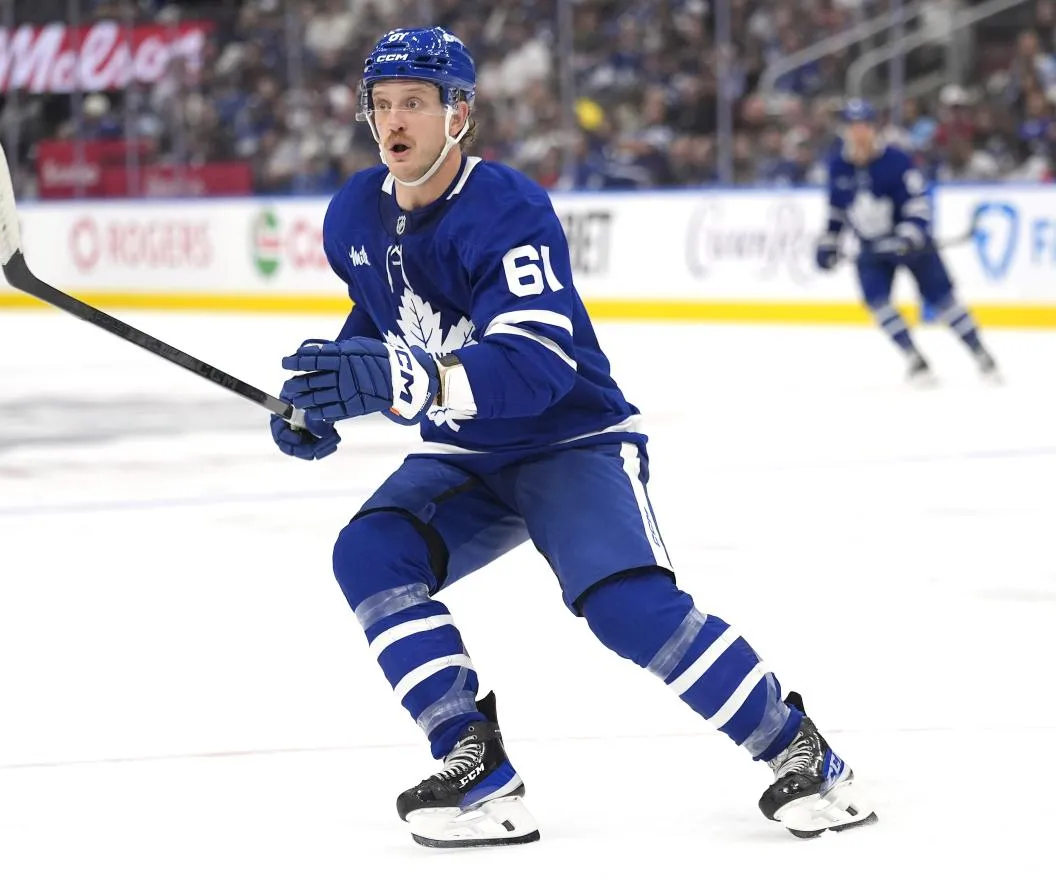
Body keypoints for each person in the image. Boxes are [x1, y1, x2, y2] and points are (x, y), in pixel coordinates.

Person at [270, 27, 877, 848]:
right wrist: (329, 392)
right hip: (467, 451)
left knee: (625, 606)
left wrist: (410, 382)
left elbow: (537, 364)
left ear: (460, 113)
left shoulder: (506, 208)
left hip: (570, 438)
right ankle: (472, 761)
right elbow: (382, 312)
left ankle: (800, 749)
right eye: (381, 104)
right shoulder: (353, 213)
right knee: (370, 554)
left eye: (415, 101)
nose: (394, 121)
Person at [815, 99, 1000, 383]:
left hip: (913, 247)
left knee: (943, 301)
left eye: (863, 125)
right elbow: (837, 211)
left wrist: (909, 235)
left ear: (874, 128)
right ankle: (915, 359)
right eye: (852, 126)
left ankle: (981, 354)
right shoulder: (838, 166)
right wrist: (829, 242)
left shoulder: (897, 161)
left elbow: (918, 204)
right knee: (876, 301)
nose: (857, 132)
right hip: (873, 248)